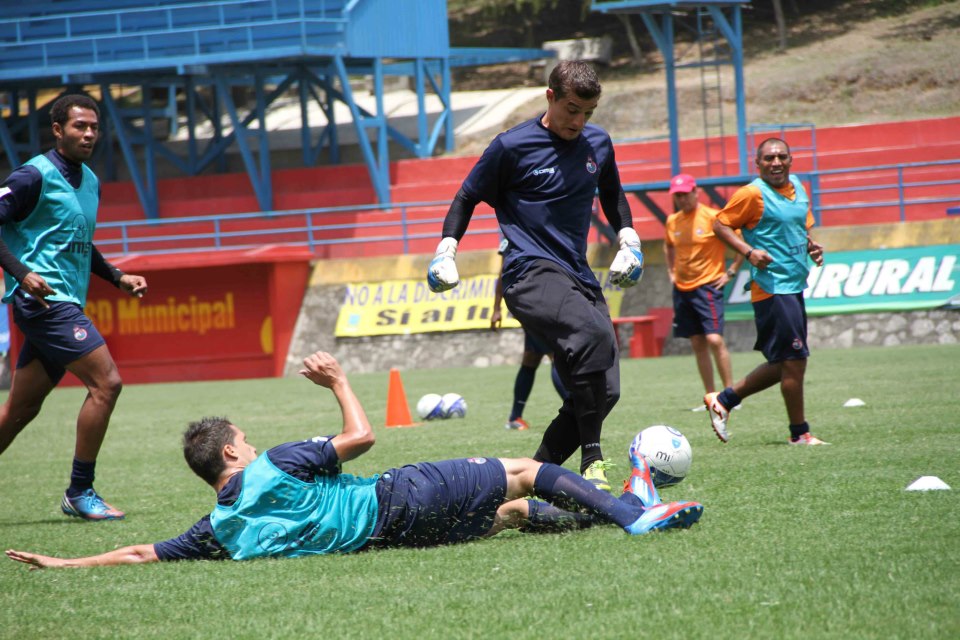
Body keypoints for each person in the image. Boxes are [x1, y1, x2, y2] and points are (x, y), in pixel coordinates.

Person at [4, 351, 703, 568]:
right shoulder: (276, 462)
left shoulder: (216, 531)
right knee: (521, 469)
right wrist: (338, 381)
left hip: (394, 537)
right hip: (397, 499)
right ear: (231, 451)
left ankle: (612, 513)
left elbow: (137, 554)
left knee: (517, 512)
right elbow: (363, 438)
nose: (249, 443)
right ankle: (632, 513)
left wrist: (64, 563)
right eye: (242, 438)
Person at [426, 60, 645, 493]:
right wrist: (446, 250)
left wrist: (629, 239)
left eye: (589, 113)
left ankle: (527, 481)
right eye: (571, 110)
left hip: (578, 275)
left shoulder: (597, 144)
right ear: (550, 97)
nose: (579, 122)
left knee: (607, 389)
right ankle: (593, 462)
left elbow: (613, 192)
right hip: (529, 273)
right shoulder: (511, 146)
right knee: (595, 338)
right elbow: (468, 195)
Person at [0, 94, 149, 520]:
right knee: (107, 383)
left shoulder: (89, 180)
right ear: (58, 130)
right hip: (44, 304)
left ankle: (80, 493)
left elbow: (79, 243)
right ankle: (80, 492)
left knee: (21, 409)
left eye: (93, 127)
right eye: (79, 126)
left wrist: (116, 275)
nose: (88, 134)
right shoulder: (32, 176)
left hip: (63, 301)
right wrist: (22, 272)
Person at [705, 138, 827, 446]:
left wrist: (810, 245)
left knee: (785, 362)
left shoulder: (799, 187)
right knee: (795, 360)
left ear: (791, 160)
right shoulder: (752, 194)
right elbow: (719, 224)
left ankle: (724, 400)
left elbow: (801, 225)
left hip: (794, 283)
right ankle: (799, 433)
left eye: (781, 157)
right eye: (769, 158)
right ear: (757, 164)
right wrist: (748, 253)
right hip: (772, 287)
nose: (776, 162)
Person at [663, 174, 743, 408]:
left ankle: (731, 396)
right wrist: (671, 271)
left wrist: (731, 271)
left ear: (696, 192)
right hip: (682, 289)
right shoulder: (673, 221)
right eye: (677, 195)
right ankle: (712, 397)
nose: (682, 199)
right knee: (697, 342)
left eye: (685, 194)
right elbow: (667, 245)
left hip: (707, 286)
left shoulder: (713, 217)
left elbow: (740, 242)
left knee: (714, 339)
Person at [490, 238, 569, 431]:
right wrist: (496, 308)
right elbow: (502, 274)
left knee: (531, 358)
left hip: (532, 302)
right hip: (532, 302)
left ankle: (515, 417)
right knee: (555, 353)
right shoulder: (517, 237)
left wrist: (497, 308)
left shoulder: (522, 233)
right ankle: (574, 410)